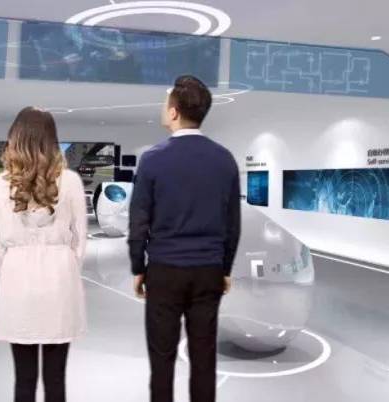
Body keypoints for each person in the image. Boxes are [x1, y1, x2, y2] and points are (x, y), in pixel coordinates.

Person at [128, 75, 241, 402]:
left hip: (164, 271)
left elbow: (139, 223)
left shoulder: (152, 159)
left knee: (161, 360)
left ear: (174, 112)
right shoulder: (225, 159)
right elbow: (232, 223)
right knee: (204, 358)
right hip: (208, 271)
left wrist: (138, 268)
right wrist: (225, 268)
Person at [0, 107, 88, 402]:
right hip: (60, 280)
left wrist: (15, 269)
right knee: (56, 378)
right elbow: (80, 240)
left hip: (17, 281)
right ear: (51, 139)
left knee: (24, 379)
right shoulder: (71, 181)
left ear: (15, 137)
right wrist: (64, 265)